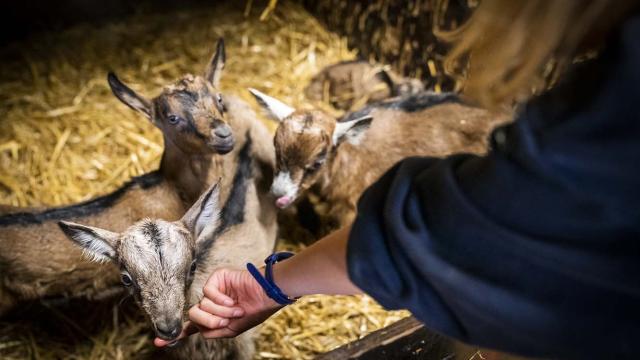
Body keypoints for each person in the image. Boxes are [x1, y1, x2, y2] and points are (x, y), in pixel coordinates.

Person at [156, 1, 640, 358]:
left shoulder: (594, 124)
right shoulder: (604, 92)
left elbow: (457, 226)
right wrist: (271, 284)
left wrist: (273, 283)